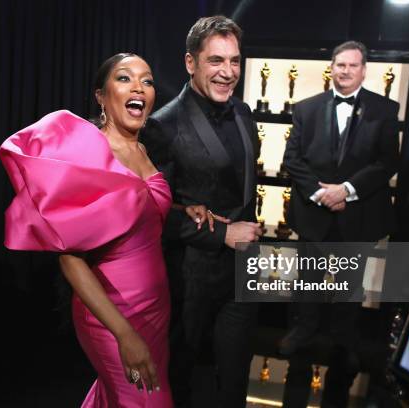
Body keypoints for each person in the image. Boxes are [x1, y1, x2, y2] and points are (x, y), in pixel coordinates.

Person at [0, 53, 226, 407]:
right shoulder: (88, 152)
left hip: (155, 307)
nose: (139, 86)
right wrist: (124, 334)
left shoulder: (142, 148)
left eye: (147, 80)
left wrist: (181, 207)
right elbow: (70, 258)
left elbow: (131, 209)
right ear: (101, 97)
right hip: (112, 314)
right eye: (124, 78)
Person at [140, 16, 262, 408]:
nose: (228, 73)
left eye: (235, 61)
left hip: (242, 273)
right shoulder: (163, 125)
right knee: (182, 378)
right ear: (191, 63)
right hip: (188, 279)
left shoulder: (244, 112)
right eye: (216, 61)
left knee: (235, 379)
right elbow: (149, 214)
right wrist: (221, 234)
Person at [280, 41, 400, 407]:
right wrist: (321, 194)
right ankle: (303, 331)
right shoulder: (306, 108)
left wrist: (346, 191)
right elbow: (292, 158)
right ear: (331, 68)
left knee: (349, 284)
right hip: (314, 212)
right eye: (339, 65)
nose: (345, 71)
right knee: (309, 281)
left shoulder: (384, 109)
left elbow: (386, 163)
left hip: (358, 215)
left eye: (353, 65)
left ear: (364, 70)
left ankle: (343, 342)